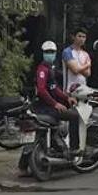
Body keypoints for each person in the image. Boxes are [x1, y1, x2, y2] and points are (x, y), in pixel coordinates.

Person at [18, 41, 80, 175]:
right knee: (75, 116)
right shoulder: (42, 70)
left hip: (43, 107)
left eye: (52, 52)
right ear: (43, 53)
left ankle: (24, 165)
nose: (50, 54)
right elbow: (41, 90)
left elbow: (54, 88)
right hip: (45, 108)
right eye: (47, 52)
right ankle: (74, 148)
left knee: (40, 134)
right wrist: (55, 104)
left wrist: (66, 97)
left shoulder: (49, 68)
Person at [61, 27, 91, 93]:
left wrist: (78, 68)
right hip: (69, 90)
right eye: (79, 36)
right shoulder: (67, 51)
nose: (81, 39)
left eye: (84, 37)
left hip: (83, 90)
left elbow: (88, 73)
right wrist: (87, 65)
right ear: (73, 37)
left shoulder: (85, 54)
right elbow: (75, 70)